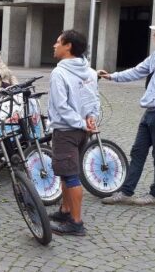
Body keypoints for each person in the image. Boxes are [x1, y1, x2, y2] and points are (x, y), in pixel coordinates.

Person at [98, 19, 155, 206]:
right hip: (150, 111)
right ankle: (126, 192)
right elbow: (138, 71)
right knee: (137, 152)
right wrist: (112, 76)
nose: (154, 34)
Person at [47, 30, 99, 236]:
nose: (54, 45)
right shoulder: (90, 71)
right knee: (65, 170)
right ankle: (65, 210)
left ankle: (76, 223)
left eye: (58, 42)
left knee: (70, 175)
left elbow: (61, 106)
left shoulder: (59, 73)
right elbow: (93, 100)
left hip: (67, 130)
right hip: (81, 130)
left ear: (68, 46)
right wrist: (90, 118)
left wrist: (80, 122)